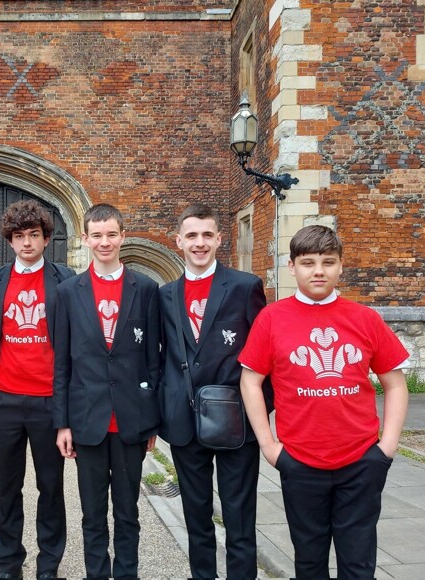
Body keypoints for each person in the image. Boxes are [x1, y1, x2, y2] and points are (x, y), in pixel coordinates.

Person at [239, 224, 409, 579]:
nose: (318, 271)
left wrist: (387, 447)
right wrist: (269, 446)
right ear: (292, 266)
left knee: (358, 563)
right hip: (300, 461)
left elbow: (394, 384)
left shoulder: (365, 319)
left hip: (361, 460)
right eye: (308, 263)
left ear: (341, 266)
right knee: (309, 562)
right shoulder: (272, 319)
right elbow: (251, 381)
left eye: (328, 262)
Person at [158, 203, 270, 579]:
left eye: (207, 235)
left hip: (235, 422)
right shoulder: (165, 295)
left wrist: (258, 415)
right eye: (191, 235)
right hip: (185, 424)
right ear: (178, 241)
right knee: (197, 519)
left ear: (220, 239)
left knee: (239, 520)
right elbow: (161, 358)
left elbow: (265, 355)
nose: (200, 243)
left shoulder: (244, 287)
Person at [54, 203, 160, 580]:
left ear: (122, 236)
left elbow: (153, 361)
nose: (104, 242)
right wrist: (62, 423)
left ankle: (127, 573)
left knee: (128, 512)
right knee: (93, 513)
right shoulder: (68, 292)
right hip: (88, 421)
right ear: (85, 238)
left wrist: (151, 420)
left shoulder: (145, 288)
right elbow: (62, 363)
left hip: (131, 421)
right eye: (97, 235)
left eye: (112, 234)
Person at [0, 199, 75, 580]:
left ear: (47, 238)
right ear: (10, 241)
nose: (27, 243)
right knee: (7, 489)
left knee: (51, 488)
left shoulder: (65, 279)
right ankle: (8, 565)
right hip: (3, 399)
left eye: (34, 235)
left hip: (49, 401)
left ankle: (48, 566)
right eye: (19, 236)